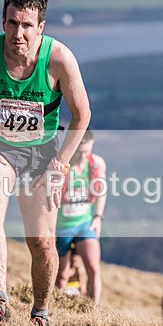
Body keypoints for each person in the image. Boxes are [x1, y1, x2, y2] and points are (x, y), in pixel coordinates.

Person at [0, 0, 92, 326]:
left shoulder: (59, 59)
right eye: (13, 23)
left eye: (28, 25)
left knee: (42, 241)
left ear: (41, 27)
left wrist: (61, 163)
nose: (19, 33)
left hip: (42, 154)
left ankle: (40, 312)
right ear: (3, 21)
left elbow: (82, 115)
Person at [54, 129, 106, 304]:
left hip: (85, 224)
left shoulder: (96, 164)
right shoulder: (61, 167)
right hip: (61, 227)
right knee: (62, 275)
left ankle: (94, 310)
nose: (84, 156)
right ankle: (52, 308)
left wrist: (98, 217)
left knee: (93, 268)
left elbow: (101, 192)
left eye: (88, 151)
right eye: (80, 152)